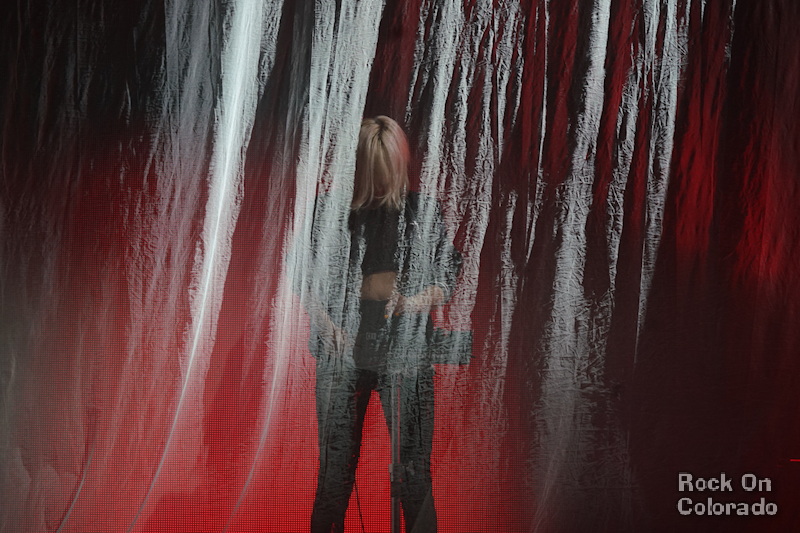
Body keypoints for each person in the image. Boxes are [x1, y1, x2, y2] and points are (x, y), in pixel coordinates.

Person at [291, 116, 462, 532]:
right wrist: (326, 324)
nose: (384, 184)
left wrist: (410, 302)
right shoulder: (330, 211)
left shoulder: (422, 212)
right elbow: (303, 278)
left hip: (406, 356)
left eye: (390, 172)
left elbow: (447, 276)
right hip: (343, 358)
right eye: (376, 174)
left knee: (414, 475)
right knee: (334, 477)